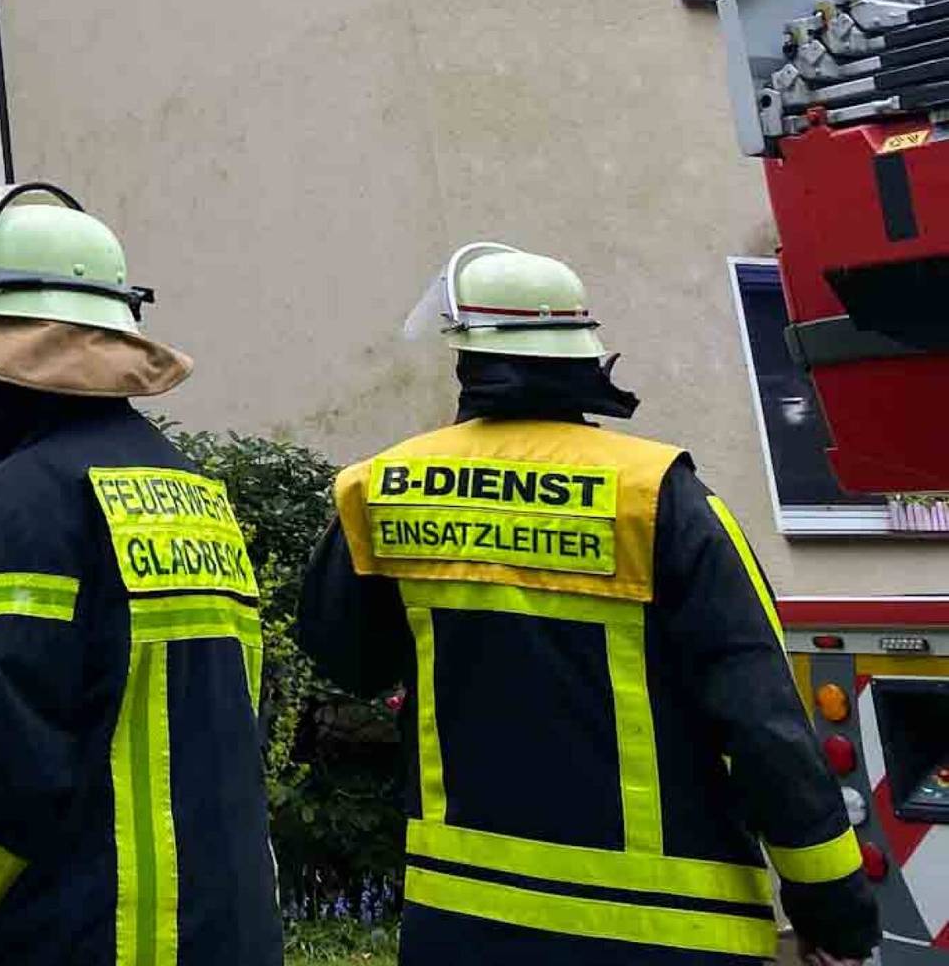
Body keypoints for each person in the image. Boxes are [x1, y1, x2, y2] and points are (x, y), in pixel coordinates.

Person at [295, 243, 876, 966]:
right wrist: (834, 909)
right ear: (586, 358)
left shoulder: (381, 487)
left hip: (464, 916)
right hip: (666, 932)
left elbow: (347, 658)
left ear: (464, 357)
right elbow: (765, 729)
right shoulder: (657, 497)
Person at [0, 184, 281, 966]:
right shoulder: (192, 490)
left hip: (89, 937)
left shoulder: (29, 501)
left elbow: (2, 755)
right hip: (226, 932)